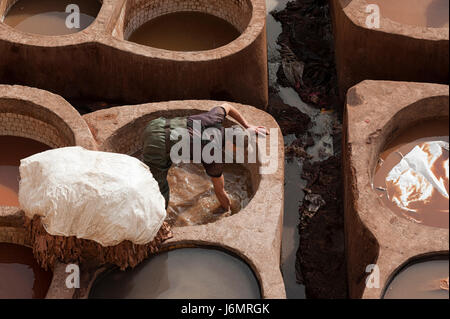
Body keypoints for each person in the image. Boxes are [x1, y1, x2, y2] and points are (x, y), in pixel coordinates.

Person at [142, 103, 268, 211]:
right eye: (236, 149)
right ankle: (157, 227)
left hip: (155, 125)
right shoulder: (213, 153)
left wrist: (247, 126)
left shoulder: (214, 117)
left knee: (165, 161)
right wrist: (227, 209)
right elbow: (219, 191)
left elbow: (228, 106)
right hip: (156, 146)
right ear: (231, 144)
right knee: (160, 191)